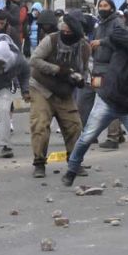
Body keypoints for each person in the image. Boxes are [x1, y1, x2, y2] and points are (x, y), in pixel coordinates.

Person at [62, 15, 128, 199]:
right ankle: (72, 169)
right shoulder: (127, 38)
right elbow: (115, 35)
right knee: (87, 136)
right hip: (108, 98)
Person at [27, 11, 88, 177]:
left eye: (71, 32)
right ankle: (39, 163)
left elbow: (85, 70)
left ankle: (74, 162)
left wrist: (80, 79)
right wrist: (58, 70)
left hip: (64, 91)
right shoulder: (51, 40)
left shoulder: (84, 47)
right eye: (64, 30)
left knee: (74, 126)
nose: (66, 34)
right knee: (40, 125)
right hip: (41, 87)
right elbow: (34, 60)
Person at [90, 0, 128, 150]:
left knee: (108, 101)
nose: (102, 8)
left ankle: (112, 137)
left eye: (106, 5)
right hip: (99, 65)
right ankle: (117, 133)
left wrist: (102, 42)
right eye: (100, 5)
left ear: (112, 8)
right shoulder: (100, 23)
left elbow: (121, 40)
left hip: (111, 67)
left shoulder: (117, 22)